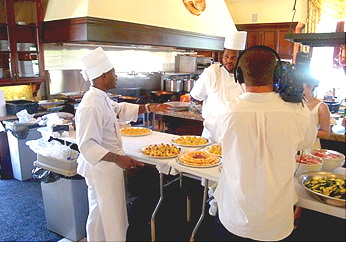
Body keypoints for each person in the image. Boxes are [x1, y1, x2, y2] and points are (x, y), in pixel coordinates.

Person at [204, 46, 318, 241]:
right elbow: (307, 141)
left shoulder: (223, 112)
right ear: (277, 74)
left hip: (234, 216)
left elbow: (213, 134)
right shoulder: (299, 112)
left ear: (239, 75)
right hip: (277, 221)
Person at [75, 47, 172, 242]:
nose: (116, 76)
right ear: (102, 76)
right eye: (113, 73)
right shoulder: (91, 104)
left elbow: (118, 110)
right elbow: (87, 145)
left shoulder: (101, 98)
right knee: (109, 215)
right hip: (102, 167)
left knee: (103, 213)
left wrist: (149, 107)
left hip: (107, 167)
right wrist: (118, 159)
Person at [190, 30, 247, 141]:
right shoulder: (212, 72)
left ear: (240, 58)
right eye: (226, 57)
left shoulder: (248, 76)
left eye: (233, 58)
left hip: (236, 133)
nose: (229, 60)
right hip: (212, 132)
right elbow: (196, 96)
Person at [302, 76, 331, 150]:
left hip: (312, 147)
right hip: (295, 146)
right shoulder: (295, 104)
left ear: (311, 86)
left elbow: (326, 134)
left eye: (302, 86)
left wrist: (305, 132)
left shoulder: (322, 107)